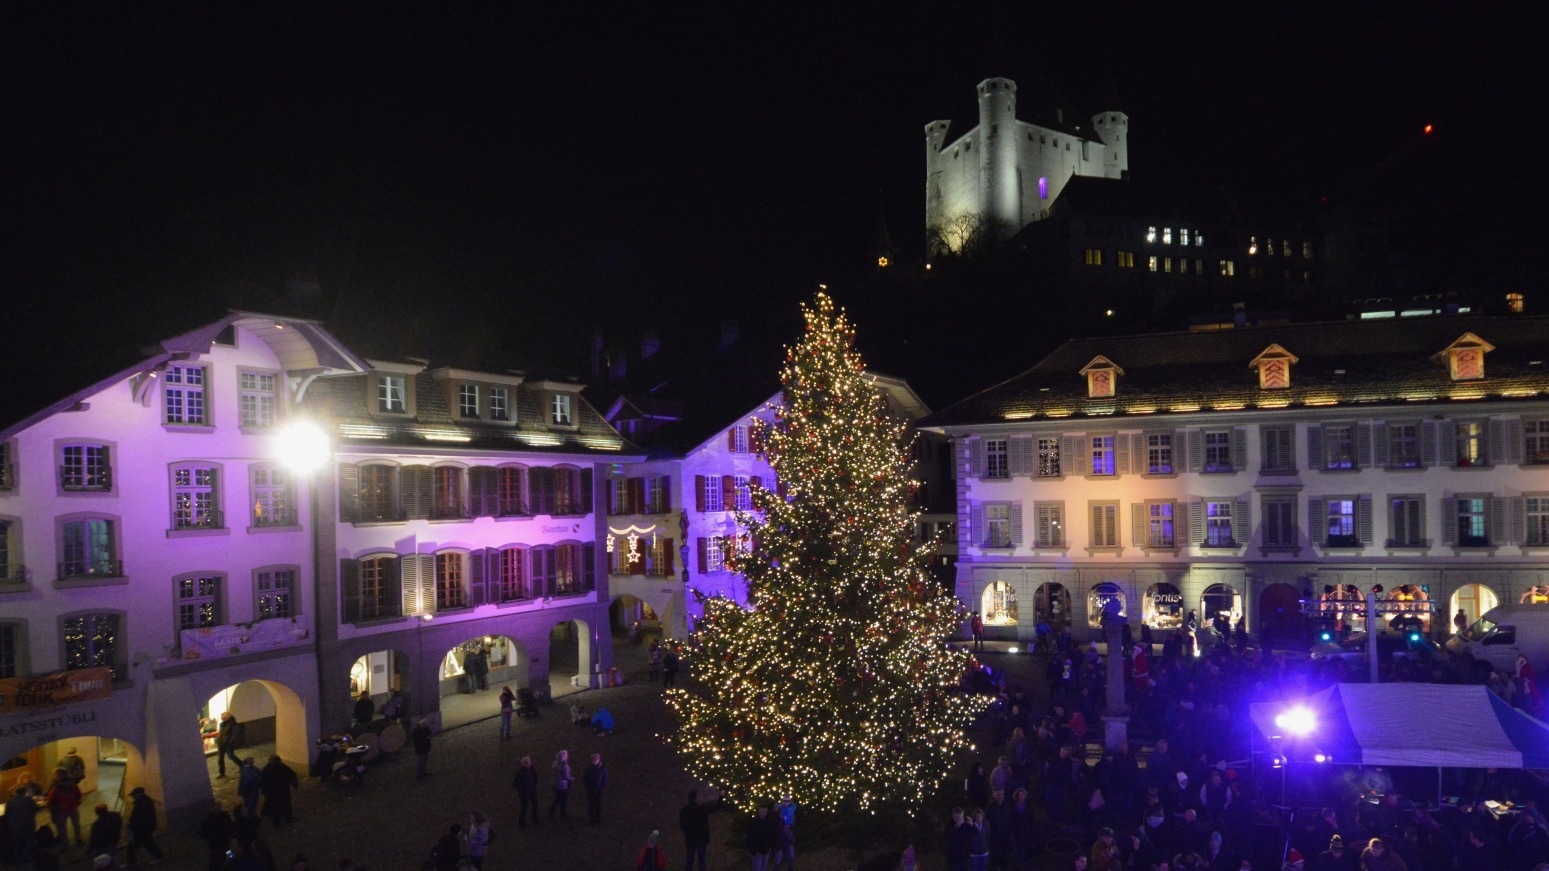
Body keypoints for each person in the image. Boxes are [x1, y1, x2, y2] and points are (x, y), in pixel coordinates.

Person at [124, 786, 165, 865]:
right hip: (142, 828)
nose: (133, 797)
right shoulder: (144, 802)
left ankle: (159, 857)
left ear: (139, 794)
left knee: (145, 843)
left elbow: (140, 817)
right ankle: (132, 861)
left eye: (134, 795)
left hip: (142, 829)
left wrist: (131, 826)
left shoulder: (143, 804)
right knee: (140, 844)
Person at [45, 766, 84, 847]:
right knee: (76, 824)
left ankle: (64, 843)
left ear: (57, 775)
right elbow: (79, 794)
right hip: (73, 807)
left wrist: (51, 808)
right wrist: (76, 803)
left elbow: (51, 799)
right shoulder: (72, 784)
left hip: (61, 809)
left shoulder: (56, 787)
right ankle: (78, 839)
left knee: (62, 827)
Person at [679, 789, 715, 871]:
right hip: (701, 838)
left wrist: (687, 833)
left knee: (689, 861)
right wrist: (721, 797)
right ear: (696, 798)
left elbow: (681, 825)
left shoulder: (685, 810)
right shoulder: (701, 809)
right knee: (702, 861)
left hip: (690, 839)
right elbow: (715, 808)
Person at [259, 755, 299, 826]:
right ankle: (278, 821)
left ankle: (286, 818)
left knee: (285, 804)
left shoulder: (281, 767)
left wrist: (294, 783)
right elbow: (264, 782)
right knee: (277, 806)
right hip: (275, 792)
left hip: (282, 790)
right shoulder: (268, 770)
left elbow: (291, 774)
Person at [197, 805, 234, 871]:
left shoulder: (209, 820)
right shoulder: (223, 818)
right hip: (220, 845)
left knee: (227, 858)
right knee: (228, 857)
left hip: (219, 845)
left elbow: (202, 834)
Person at [87, 802, 123, 868]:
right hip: (115, 839)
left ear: (97, 813)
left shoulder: (97, 824)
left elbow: (94, 838)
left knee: (107, 860)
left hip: (103, 845)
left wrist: (89, 849)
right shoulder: (116, 815)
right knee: (112, 855)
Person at [513, 755, 540, 827]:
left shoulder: (520, 773)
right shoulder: (528, 771)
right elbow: (516, 784)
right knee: (528, 806)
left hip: (527, 792)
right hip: (528, 792)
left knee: (526, 807)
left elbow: (515, 784)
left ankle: (523, 822)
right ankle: (532, 819)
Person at [215, 710, 244, 777]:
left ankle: (241, 765)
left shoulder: (233, 724)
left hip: (227, 743)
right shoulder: (223, 723)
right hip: (221, 743)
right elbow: (221, 732)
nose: (221, 717)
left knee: (231, 756)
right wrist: (218, 738)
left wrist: (230, 741)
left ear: (226, 717)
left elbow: (235, 733)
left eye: (222, 717)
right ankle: (221, 773)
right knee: (220, 758)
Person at [746, 805, 774, 871]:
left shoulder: (768, 822)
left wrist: (769, 846)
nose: (763, 813)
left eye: (764, 811)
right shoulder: (754, 823)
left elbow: (771, 835)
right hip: (756, 852)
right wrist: (755, 851)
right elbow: (751, 838)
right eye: (761, 811)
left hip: (766, 850)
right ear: (759, 812)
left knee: (764, 868)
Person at [583, 752, 608, 823]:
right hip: (590, 789)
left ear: (598, 760)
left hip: (598, 789)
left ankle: (597, 818)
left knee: (597, 804)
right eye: (593, 759)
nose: (594, 761)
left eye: (595, 759)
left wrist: (601, 787)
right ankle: (592, 819)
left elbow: (605, 779)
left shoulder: (603, 768)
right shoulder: (589, 768)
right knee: (591, 804)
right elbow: (584, 778)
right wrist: (587, 786)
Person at [548, 749, 572, 820]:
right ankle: (561, 812)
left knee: (558, 798)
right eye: (566, 755)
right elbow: (566, 776)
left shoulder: (555, 763)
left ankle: (555, 812)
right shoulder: (564, 765)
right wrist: (572, 779)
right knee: (561, 799)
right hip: (562, 784)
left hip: (555, 783)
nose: (567, 756)